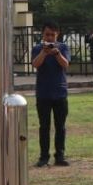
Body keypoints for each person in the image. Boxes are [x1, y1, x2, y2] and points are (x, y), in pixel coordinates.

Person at [31, 21, 70, 167]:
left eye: (52, 35)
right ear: (43, 34)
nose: (49, 38)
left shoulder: (63, 47)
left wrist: (57, 53)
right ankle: (43, 157)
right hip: (43, 94)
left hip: (60, 93)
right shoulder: (37, 48)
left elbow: (65, 65)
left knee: (60, 126)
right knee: (44, 127)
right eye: (47, 34)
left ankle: (59, 156)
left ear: (57, 35)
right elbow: (35, 64)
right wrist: (44, 52)